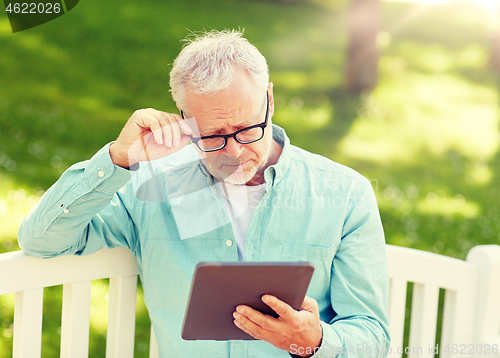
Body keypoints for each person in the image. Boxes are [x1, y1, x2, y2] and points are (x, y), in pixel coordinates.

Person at [18, 29, 390, 358]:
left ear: (270, 101)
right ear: (183, 118)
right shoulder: (150, 186)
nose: (232, 152)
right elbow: (41, 240)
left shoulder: (345, 193)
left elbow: (373, 337)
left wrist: (316, 341)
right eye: (212, 135)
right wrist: (118, 159)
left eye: (247, 129)